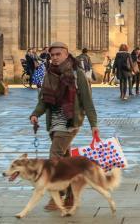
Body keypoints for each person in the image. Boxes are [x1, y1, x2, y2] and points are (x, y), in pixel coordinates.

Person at [29, 42, 99, 211]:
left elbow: (87, 101)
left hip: (70, 123)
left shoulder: (77, 74)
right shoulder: (49, 75)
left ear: (66, 55)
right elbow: (44, 101)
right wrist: (35, 114)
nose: (54, 57)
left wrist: (94, 125)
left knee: (54, 157)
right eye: (52, 55)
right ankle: (71, 194)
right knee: (66, 161)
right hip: (53, 123)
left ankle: (57, 197)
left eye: (58, 54)